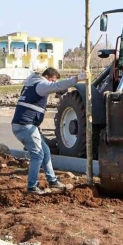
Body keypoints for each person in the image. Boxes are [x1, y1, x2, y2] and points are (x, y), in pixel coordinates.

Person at [11, 67, 86, 195]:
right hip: (26, 126)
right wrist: (76, 79)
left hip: (26, 125)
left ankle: (52, 181)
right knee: (38, 155)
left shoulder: (31, 84)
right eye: (52, 80)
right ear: (48, 77)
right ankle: (32, 187)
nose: (52, 84)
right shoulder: (41, 84)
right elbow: (56, 85)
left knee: (45, 151)